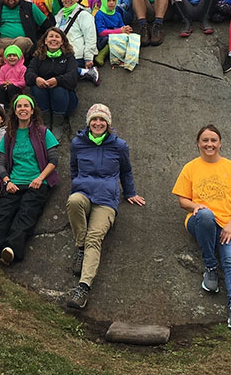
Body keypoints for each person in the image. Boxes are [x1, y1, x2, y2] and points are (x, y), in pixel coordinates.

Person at [65, 104, 145, 310]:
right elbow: (74, 167)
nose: (98, 123)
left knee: (95, 237)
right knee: (73, 201)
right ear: (89, 122)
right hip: (83, 193)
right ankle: (80, 247)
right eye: (94, 119)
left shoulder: (119, 145)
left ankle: (83, 288)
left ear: (108, 123)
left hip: (106, 200)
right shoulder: (78, 143)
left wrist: (130, 193)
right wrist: (77, 184)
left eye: (102, 120)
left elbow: (126, 171)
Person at [172, 124, 231, 330]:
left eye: (213, 140)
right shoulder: (190, 168)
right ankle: (210, 267)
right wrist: (195, 205)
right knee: (206, 214)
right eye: (205, 140)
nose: (209, 144)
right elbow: (182, 200)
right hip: (201, 222)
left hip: (230, 225)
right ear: (198, 143)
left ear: (220, 143)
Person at [0, 94, 59, 265]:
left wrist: (39, 178)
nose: (23, 109)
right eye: (19, 106)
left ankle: (12, 249)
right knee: (2, 213)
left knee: (26, 213)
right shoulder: (9, 135)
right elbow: (2, 163)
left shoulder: (43, 132)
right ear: (15, 111)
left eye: (26, 106)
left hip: (37, 183)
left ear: (32, 110)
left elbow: (53, 161)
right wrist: (6, 181)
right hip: (13, 182)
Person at [25, 28, 79, 139]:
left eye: (57, 37)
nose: (54, 39)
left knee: (58, 89)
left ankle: (57, 124)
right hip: (43, 98)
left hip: (65, 99)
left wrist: (58, 80)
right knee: (37, 88)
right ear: (45, 40)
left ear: (62, 41)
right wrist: (37, 79)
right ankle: (45, 122)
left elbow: (73, 76)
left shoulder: (69, 57)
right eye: (51, 36)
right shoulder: (38, 57)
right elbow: (28, 74)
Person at [55, 0, 99, 86]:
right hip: (61, 54)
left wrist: (88, 58)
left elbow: (90, 36)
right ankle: (82, 72)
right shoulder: (60, 15)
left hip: (76, 56)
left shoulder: (84, 15)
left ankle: (85, 71)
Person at [94, 0, 132, 66]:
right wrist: (119, 31)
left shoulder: (117, 14)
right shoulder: (99, 14)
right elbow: (101, 32)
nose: (111, 3)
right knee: (111, 39)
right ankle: (102, 55)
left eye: (113, 0)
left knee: (130, 37)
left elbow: (121, 26)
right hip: (103, 39)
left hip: (116, 35)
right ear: (104, 0)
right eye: (108, 0)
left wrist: (126, 29)